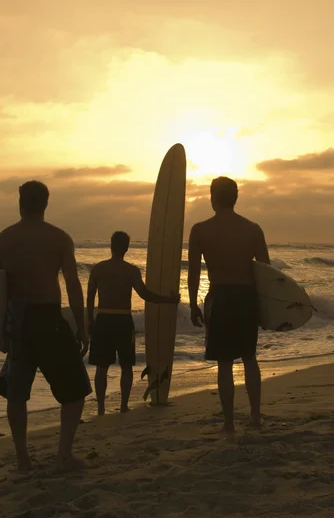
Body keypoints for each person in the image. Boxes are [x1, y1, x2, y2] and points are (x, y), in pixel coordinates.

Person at [0, 181, 92, 472]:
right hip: (49, 320)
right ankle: (63, 456)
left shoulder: (3, 239)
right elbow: (73, 286)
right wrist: (82, 327)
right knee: (74, 390)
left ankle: (23, 459)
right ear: (46, 204)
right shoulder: (59, 238)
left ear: (20, 202)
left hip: (18, 322)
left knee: (16, 393)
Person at [187, 177, 270, 438]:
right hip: (247, 297)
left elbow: (192, 273)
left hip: (220, 298)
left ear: (213, 198)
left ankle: (229, 423)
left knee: (224, 363)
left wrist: (192, 304)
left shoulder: (200, 230)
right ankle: (255, 417)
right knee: (249, 358)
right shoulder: (253, 229)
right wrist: (267, 308)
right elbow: (267, 272)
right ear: (236, 198)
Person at [87, 231, 180, 416]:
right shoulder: (131, 271)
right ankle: (123, 406)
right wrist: (168, 300)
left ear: (110, 246)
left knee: (101, 366)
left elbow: (89, 299)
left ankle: (100, 409)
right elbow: (145, 294)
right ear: (127, 248)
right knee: (126, 365)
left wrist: (89, 322)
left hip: (103, 319)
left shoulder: (98, 269)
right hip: (123, 320)